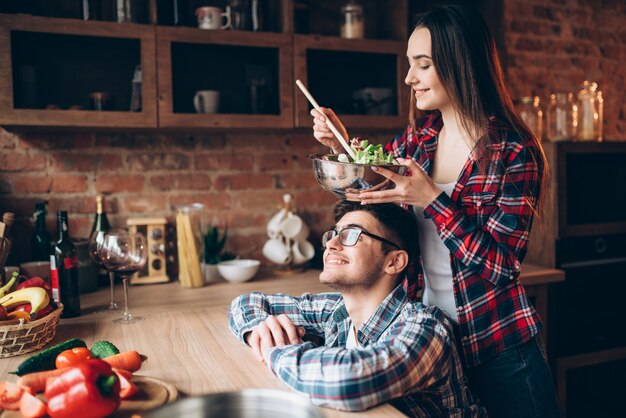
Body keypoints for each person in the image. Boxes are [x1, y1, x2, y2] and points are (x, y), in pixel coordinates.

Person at [309, 5, 560, 418]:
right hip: (431, 342)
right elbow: (369, 190)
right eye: (410, 64)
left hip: (501, 350)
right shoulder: (419, 139)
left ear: (460, 64)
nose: (409, 78)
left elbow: (501, 267)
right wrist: (340, 144)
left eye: (422, 65)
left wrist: (433, 201)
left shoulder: (514, 151)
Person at [229, 201, 486, 417]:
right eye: (332, 234)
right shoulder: (334, 310)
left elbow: (350, 381)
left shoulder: (427, 328)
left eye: (351, 235)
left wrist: (275, 349)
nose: (330, 245)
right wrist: (258, 330)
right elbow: (245, 303)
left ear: (394, 261)